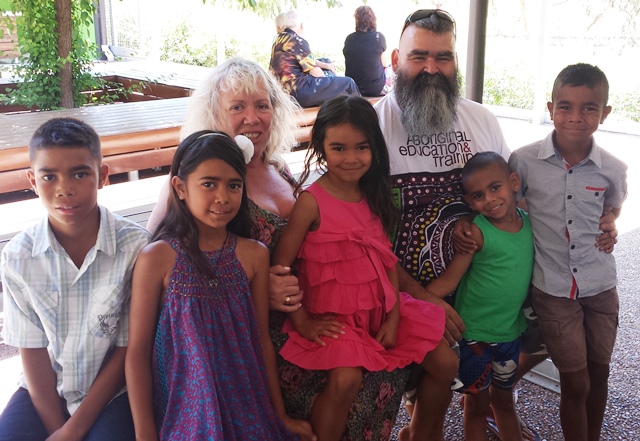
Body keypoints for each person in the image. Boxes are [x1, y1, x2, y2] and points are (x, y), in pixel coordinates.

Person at [146, 58, 410, 440]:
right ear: (213, 115)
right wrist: (256, 289)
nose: (252, 117)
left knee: (390, 352)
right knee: (352, 371)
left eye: (262, 105)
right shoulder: (202, 181)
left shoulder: (280, 169)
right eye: (237, 107)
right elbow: (166, 272)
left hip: (317, 305)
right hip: (256, 332)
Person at [273, 95, 455, 441]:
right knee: (346, 379)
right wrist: (303, 321)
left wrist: (394, 315)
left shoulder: (374, 194)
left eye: (362, 148)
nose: (351, 158)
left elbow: (385, 262)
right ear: (321, 146)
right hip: (334, 318)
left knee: (446, 363)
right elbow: (281, 270)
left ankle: (419, 433)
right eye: (339, 148)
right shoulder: (311, 202)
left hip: (380, 309)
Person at [373, 9, 512, 440]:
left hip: (475, 290)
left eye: (443, 57)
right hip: (400, 291)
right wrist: (421, 298)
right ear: (396, 58)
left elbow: (510, 203)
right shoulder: (374, 128)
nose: (432, 69)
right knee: (440, 365)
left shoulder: (480, 121)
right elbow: (360, 234)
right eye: (419, 57)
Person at [125, 131, 313, 440]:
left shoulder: (253, 254)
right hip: (187, 408)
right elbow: (137, 352)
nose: (223, 197)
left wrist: (279, 415)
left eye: (234, 185)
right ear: (180, 187)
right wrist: (145, 432)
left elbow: (261, 339)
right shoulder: (157, 258)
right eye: (209, 184)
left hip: (246, 401)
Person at [0, 118, 150, 441]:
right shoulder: (18, 257)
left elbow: (126, 349)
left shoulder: (136, 248)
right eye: (49, 176)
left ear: (103, 177)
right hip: (46, 388)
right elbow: (33, 352)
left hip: (112, 392)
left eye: (80, 174)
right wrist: (58, 430)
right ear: (32, 180)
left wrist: (74, 430)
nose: (64, 189)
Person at [508, 63, 627, 441]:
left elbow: (612, 207)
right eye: (565, 106)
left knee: (600, 373)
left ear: (605, 113)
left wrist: (610, 223)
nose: (576, 117)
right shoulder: (524, 161)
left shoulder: (613, 168)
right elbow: (512, 206)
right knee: (575, 382)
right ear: (550, 108)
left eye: (589, 108)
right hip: (554, 288)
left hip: (600, 284)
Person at [423, 152, 533, 441]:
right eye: (478, 195)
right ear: (470, 202)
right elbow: (450, 280)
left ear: (514, 182)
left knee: (505, 403)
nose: (489, 199)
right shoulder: (476, 233)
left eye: (495, 188)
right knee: (475, 407)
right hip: (474, 337)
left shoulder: (531, 224)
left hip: (509, 335)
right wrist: (416, 301)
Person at [270, 9, 360, 108]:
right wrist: (331, 83)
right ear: (301, 25)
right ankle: (363, 115)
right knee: (348, 82)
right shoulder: (297, 41)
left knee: (325, 62)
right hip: (301, 92)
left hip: (287, 93)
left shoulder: (278, 41)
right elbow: (317, 74)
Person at [343, 5, 392, 97]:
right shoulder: (379, 37)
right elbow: (384, 63)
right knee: (392, 68)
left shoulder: (349, 39)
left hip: (353, 88)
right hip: (376, 89)